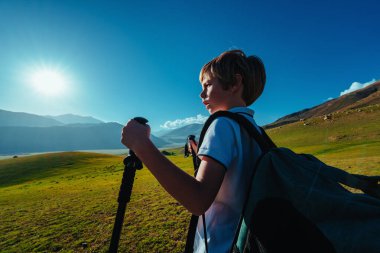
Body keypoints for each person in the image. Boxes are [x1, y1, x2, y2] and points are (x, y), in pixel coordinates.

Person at [121, 49, 266, 252]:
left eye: (207, 85)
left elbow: (198, 200)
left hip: (220, 245)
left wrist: (141, 144)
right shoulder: (255, 131)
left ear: (234, 83)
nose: (201, 94)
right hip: (245, 242)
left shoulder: (223, 124)